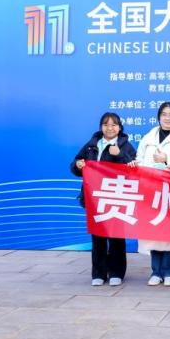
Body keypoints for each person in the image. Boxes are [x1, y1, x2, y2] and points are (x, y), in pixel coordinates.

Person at [71, 112, 136, 286]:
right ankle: (98, 273)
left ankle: (116, 272)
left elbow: (133, 169)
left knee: (116, 237)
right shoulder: (92, 145)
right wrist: (78, 165)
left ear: (120, 127)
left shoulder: (125, 145)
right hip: (95, 198)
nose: (110, 128)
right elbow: (76, 164)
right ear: (101, 127)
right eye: (106, 124)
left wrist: (119, 154)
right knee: (98, 237)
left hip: (116, 197)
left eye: (114, 125)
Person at [130, 102, 170, 287]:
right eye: (164, 114)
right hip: (151, 190)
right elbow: (140, 159)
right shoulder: (148, 138)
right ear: (158, 117)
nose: (167, 118)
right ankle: (156, 271)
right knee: (153, 229)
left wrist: (167, 160)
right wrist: (135, 164)